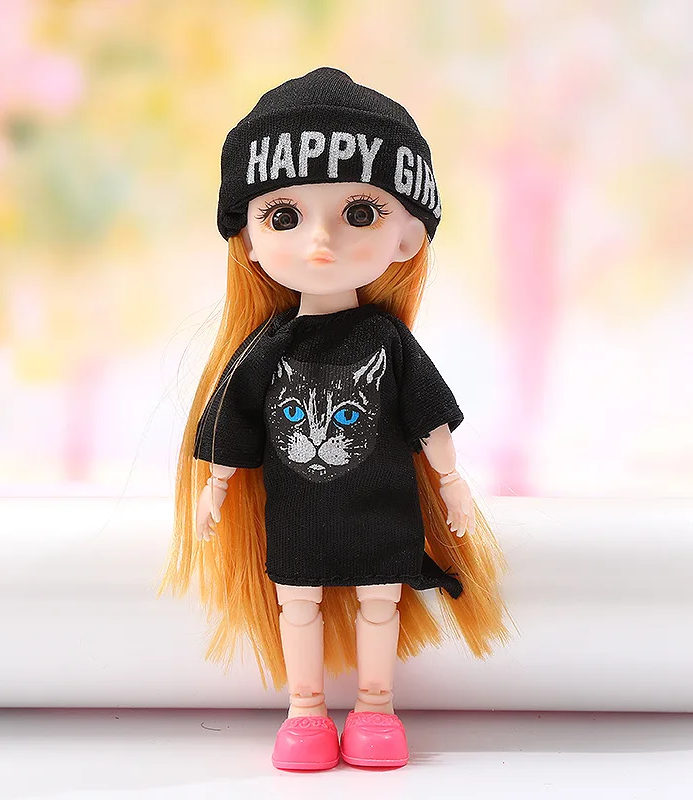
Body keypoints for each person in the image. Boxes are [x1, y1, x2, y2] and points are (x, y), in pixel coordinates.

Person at [159, 66, 510, 771]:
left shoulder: (388, 344)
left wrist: (451, 483)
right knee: (298, 606)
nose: (320, 240)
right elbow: (235, 423)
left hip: (381, 514)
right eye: (284, 217)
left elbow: (428, 419)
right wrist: (216, 488)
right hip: (297, 517)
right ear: (248, 240)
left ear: (408, 237)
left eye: (360, 213)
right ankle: (306, 713)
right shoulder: (268, 348)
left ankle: (376, 709)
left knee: (381, 604)